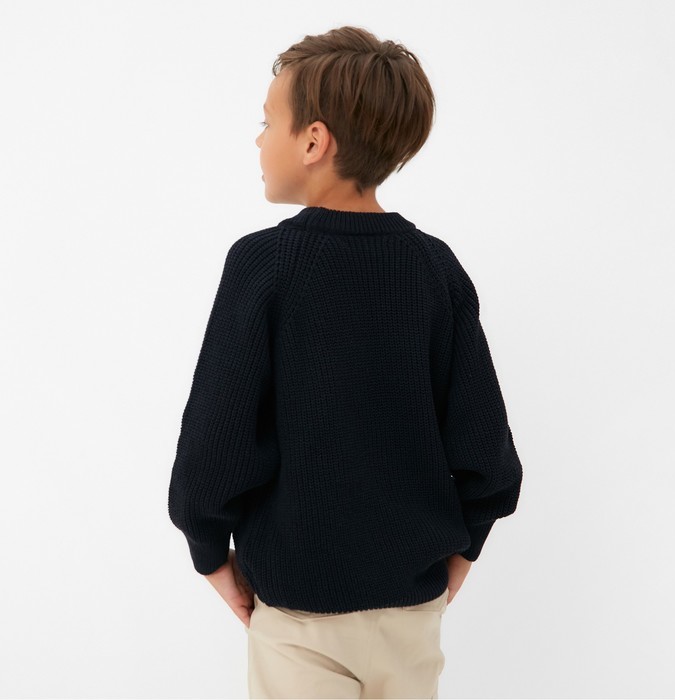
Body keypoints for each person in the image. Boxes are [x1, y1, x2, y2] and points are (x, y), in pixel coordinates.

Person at [167, 25, 523, 700]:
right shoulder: (435, 269)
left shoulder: (263, 266)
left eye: (266, 121)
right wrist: (461, 554)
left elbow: (214, 442)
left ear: (313, 141)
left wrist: (210, 552)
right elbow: (486, 450)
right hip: (411, 613)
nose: (258, 140)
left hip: (299, 616)